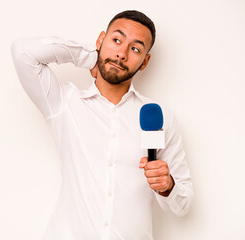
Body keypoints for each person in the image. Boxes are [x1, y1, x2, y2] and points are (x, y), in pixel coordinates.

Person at [11, 10, 194, 240]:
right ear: (100, 40)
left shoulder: (159, 117)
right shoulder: (64, 103)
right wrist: (90, 56)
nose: (122, 54)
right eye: (116, 40)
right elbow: (22, 51)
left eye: (135, 49)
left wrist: (167, 186)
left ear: (145, 61)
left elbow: (183, 204)